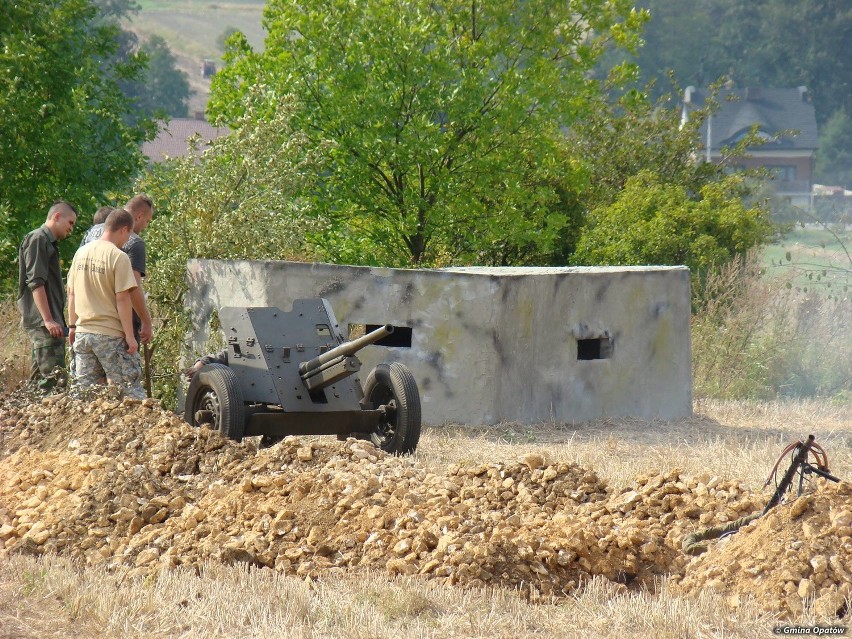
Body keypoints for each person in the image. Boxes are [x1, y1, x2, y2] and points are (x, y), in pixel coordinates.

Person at [68, 209, 145, 399]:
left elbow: (72, 293)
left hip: (83, 334)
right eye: (129, 235)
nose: (127, 241)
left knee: (85, 397)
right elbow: (123, 298)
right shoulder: (118, 257)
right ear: (124, 229)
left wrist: (72, 326)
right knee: (131, 393)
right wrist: (129, 336)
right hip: (109, 335)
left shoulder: (81, 253)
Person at [17, 200, 78, 391]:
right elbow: (36, 282)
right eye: (70, 223)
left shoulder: (47, 242)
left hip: (49, 324)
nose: (71, 229)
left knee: (38, 385)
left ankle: (28, 419)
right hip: (45, 325)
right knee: (54, 384)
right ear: (57, 216)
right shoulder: (38, 239)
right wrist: (49, 320)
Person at [80, 194, 154, 345]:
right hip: (117, 327)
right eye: (146, 221)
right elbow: (133, 287)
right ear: (139, 216)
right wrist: (146, 321)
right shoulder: (135, 241)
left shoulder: (92, 232)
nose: (145, 226)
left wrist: (74, 324)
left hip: (85, 324)